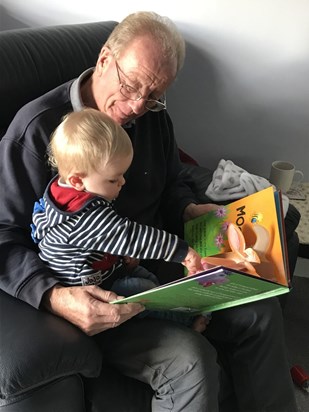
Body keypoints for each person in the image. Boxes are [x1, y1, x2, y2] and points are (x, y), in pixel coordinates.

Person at [0, 10, 297, 412]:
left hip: (158, 268)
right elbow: (4, 235)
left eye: (154, 95)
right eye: (131, 86)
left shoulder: (152, 116)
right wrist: (52, 296)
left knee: (258, 306)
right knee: (189, 359)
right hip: (98, 292)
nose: (137, 105)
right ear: (105, 59)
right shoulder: (35, 131)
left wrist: (188, 207)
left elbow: (171, 178)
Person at [31, 108, 208, 332]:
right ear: (77, 180)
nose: (122, 182)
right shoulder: (85, 218)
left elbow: (103, 236)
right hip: (92, 290)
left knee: (149, 279)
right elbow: (132, 236)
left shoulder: (61, 188)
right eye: (114, 179)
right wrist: (183, 252)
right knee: (143, 292)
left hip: (103, 263)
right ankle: (187, 321)